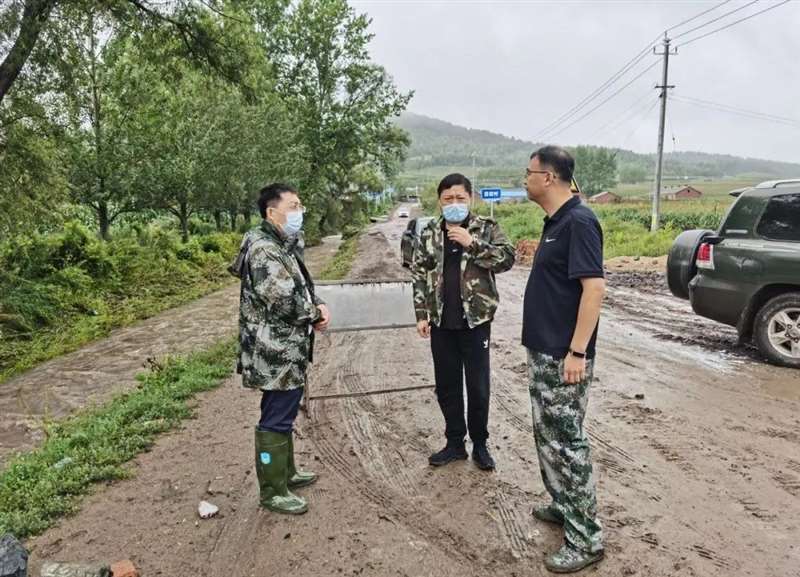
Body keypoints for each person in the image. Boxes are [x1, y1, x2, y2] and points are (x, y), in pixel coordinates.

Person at [522, 146, 606, 572]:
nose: (525, 179)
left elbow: (594, 289)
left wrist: (577, 351)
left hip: (563, 355)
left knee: (567, 443)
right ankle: (563, 503)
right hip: (545, 352)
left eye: (529, 172)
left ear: (549, 177)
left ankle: (586, 538)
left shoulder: (579, 221)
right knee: (548, 437)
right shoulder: (556, 221)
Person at [230, 183, 331, 515]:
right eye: (293, 207)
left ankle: (286, 473)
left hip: (286, 348)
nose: (299, 212)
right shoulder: (264, 250)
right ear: (272, 213)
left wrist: (316, 303)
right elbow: (284, 300)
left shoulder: (281, 243)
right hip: (274, 351)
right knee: (275, 416)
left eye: (301, 205)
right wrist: (315, 314)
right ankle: (273, 491)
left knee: (283, 412)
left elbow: (300, 286)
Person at [411, 173, 515, 470]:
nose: (454, 203)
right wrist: (421, 314)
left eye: (460, 198)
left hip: (476, 321)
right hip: (441, 322)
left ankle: (480, 444)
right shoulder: (430, 231)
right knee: (447, 385)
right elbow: (419, 273)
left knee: (478, 385)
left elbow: (507, 260)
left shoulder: (486, 228)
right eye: (448, 199)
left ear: (470, 199)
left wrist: (472, 244)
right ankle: (455, 443)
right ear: (439, 202)